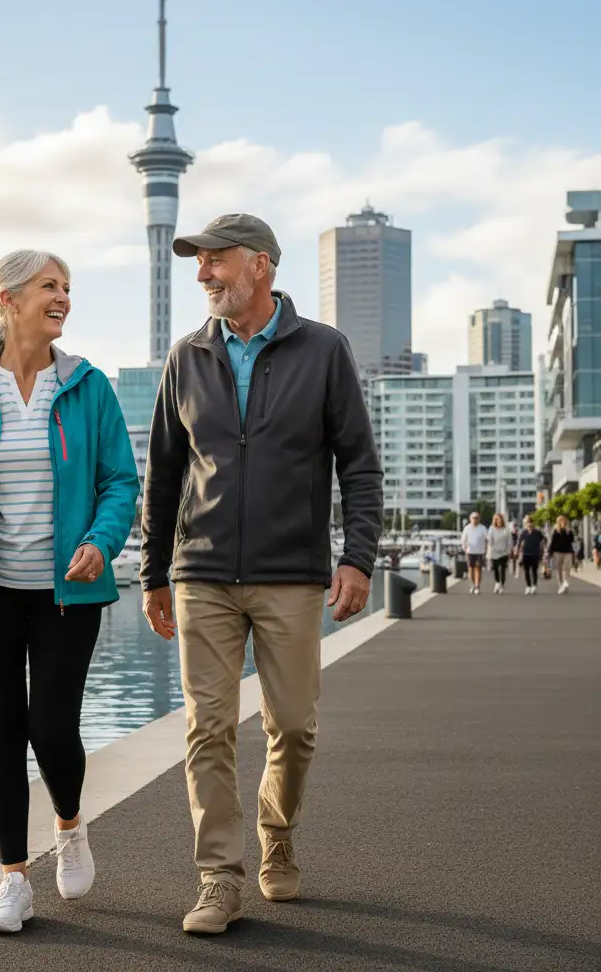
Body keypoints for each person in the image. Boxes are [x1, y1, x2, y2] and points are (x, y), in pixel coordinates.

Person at [139, 214, 383, 935]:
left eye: (216, 262)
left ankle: (276, 832)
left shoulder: (324, 351)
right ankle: (218, 876)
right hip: (202, 571)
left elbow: (359, 465)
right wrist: (154, 572)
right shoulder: (185, 358)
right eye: (199, 263)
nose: (203, 274)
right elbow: (163, 475)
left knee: (294, 728)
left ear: (261, 267)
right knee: (207, 727)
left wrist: (357, 556)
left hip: (291, 573)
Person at [0, 250, 139, 934]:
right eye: (50, 286)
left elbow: (120, 481)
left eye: (68, 287)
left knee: (51, 727)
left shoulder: (88, 386)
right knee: (0, 731)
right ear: (8, 301)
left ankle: (69, 825)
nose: (63, 296)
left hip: (67, 589)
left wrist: (101, 540)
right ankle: (13, 880)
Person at [547, 514, 575, 595]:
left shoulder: (569, 531)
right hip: (557, 552)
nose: (563, 522)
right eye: (561, 521)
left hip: (567, 552)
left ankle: (565, 582)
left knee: (567, 568)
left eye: (564, 521)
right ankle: (561, 585)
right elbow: (552, 542)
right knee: (558, 569)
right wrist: (550, 552)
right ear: (558, 522)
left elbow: (571, 541)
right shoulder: (555, 531)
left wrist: (567, 531)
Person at [461, 511, 489, 595]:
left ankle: (477, 586)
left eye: (477, 518)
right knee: (470, 569)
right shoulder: (467, 528)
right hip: (470, 551)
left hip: (480, 551)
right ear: (470, 519)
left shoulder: (483, 528)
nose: (475, 520)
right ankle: (472, 584)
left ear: (479, 519)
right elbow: (463, 539)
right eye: (473, 518)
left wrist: (486, 548)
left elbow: (487, 538)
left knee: (478, 569)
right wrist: (464, 548)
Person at [516, 516, 545, 595]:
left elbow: (543, 541)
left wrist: (542, 551)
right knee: (526, 571)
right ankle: (528, 586)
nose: (529, 524)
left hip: (535, 554)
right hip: (525, 554)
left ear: (533, 523)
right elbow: (519, 542)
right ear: (525, 524)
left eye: (530, 523)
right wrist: (517, 551)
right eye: (527, 523)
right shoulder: (523, 532)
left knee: (534, 571)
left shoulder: (537, 532)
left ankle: (534, 586)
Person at [487, 513, 510, 594]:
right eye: (496, 519)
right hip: (494, 552)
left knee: (502, 569)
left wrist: (509, 550)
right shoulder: (491, 529)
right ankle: (497, 582)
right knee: (496, 569)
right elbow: (489, 541)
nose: (498, 521)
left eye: (499, 519)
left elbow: (509, 541)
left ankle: (501, 585)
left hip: (504, 552)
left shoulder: (506, 529)